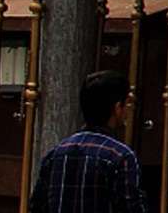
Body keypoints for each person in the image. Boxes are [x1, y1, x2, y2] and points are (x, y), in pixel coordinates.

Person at [30, 71, 148, 213]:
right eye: (127, 104)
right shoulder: (121, 156)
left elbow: (36, 206)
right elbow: (132, 208)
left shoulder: (56, 154)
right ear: (117, 108)